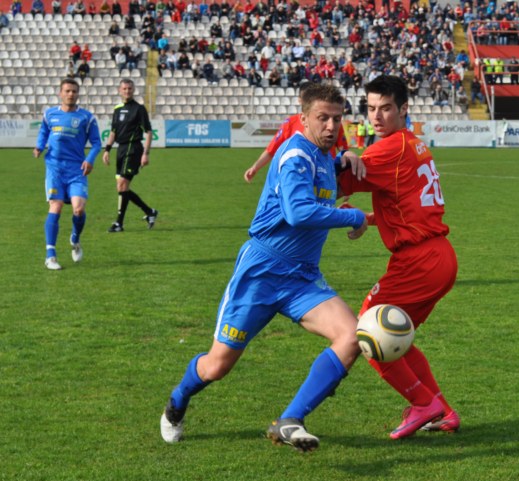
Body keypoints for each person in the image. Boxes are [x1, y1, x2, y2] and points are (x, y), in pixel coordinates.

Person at [159, 84, 369, 452]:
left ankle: (290, 419)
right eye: (323, 118)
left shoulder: (323, 156)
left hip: (302, 277)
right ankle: (177, 401)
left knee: (352, 336)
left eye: (338, 119)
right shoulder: (294, 156)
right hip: (261, 273)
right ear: (302, 119)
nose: (332, 126)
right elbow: (299, 213)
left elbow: (323, 180)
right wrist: (352, 216)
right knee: (217, 367)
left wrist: (344, 157)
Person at [338, 75, 460, 439]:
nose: (376, 116)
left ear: (404, 109)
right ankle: (445, 411)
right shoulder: (413, 144)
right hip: (438, 256)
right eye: (371, 108)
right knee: (397, 339)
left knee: (368, 332)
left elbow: (332, 181)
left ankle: (424, 404)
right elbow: (406, 202)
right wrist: (368, 218)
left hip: (419, 261)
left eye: (386, 108)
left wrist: (340, 158)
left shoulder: (388, 148)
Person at [33, 78, 102, 271]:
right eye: (67, 91)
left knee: (78, 209)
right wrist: (39, 146)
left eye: (74, 91)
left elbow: (97, 143)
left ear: (78, 94)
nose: (71, 94)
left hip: (76, 170)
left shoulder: (86, 118)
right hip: (55, 168)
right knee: (55, 207)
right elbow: (44, 132)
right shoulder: (50, 114)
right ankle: (50, 256)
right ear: (60, 93)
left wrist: (89, 159)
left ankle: (75, 238)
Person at [242, 82, 348, 183]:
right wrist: (255, 167)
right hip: (301, 175)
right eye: (322, 118)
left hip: (327, 177)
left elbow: (343, 149)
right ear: (300, 100)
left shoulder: (333, 123)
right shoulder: (290, 125)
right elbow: (271, 150)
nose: (330, 125)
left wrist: (347, 164)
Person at [103, 79, 158, 233]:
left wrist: (146, 154)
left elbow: (148, 132)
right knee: (122, 188)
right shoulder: (117, 109)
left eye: (130, 88)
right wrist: (107, 149)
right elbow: (113, 132)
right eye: (124, 88)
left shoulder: (139, 109)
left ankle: (119, 223)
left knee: (122, 185)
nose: (127, 91)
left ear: (133, 90)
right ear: (119, 90)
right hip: (120, 149)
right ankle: (149, 212)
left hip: (133, 149)